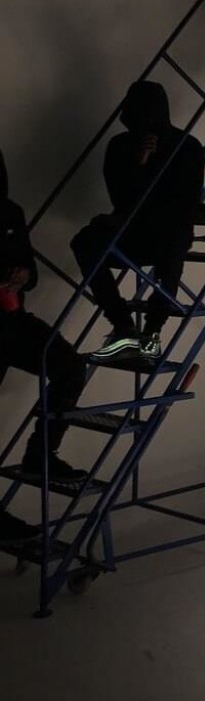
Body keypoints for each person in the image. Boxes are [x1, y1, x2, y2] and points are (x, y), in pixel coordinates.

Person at [71, 81, 204, 363]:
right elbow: (121, 198)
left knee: (174, 241)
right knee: (85, 241)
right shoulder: (120, 145)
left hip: (167, 231)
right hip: (132, 230)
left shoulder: (187, 147)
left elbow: (187, 204)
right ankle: (123, 327)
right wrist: (139, 163)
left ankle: (152, 334)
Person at [0, 150, 88, 489]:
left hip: (12, 319)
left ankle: (40, 455)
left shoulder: (10, 212)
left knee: (70, 366)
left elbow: (31, 271)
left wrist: (23, 276)